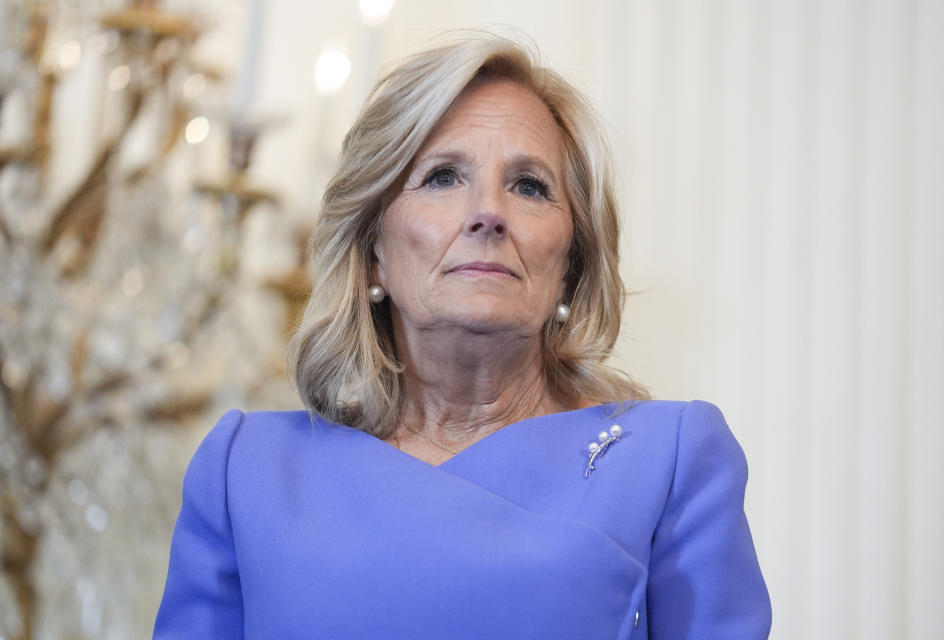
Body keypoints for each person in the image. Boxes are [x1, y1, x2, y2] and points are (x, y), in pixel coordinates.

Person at [154, 33, 771, 639]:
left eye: (529, 186)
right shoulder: (245, 471)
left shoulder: (670, 461)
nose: (489, 212)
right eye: (443, 176)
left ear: (571, 265)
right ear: (373, 252)